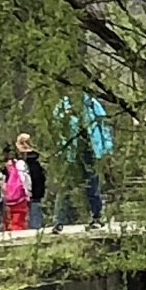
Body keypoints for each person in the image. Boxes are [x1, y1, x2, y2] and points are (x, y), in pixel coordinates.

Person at [54, 93, 112, 226]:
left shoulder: (92, 104)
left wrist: (106, 147)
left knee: (92, 185)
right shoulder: (63, 105)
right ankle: (58, 221)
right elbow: (57, 127)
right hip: (71, 152)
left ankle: (97, 217)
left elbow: (103, 125)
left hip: (90, 150)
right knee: (65, 186)